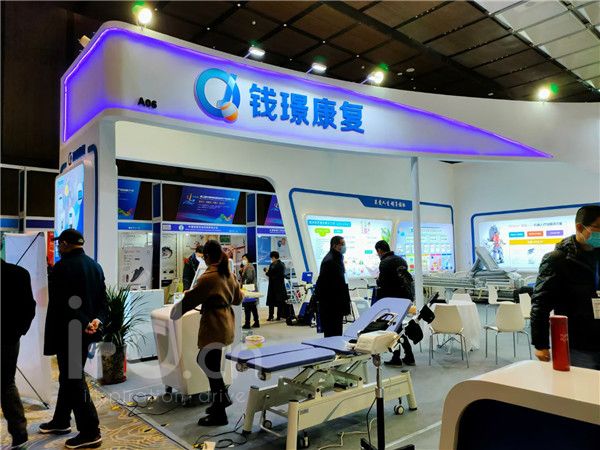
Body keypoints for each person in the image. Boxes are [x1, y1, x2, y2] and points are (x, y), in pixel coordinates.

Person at [41, 228, 107, 449]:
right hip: (86, 332)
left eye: (60, 244)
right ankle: (61, 421)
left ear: (66, 244)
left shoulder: (62, 267)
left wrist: (84, 321)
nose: (58, 247)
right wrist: (96, 320)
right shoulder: (95, 266)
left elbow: (63, 303)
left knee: (74, 380)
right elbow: (102, 301)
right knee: (69, 378)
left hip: (68, 332)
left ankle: (91, 432)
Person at [174, 240, 243, 426]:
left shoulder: (208, 277)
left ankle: (220, 410)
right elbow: (238, 299)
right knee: (211, 364)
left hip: (214, 324)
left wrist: (175, 312)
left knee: (207, 362)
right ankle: (220, 402)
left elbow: (191, 299)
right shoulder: (228, 274)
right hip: (225, 323)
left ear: (207, 257)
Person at [531, 205, 600, 370]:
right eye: (598, 228)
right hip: (578, 344)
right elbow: (541, 303)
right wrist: (541, 344)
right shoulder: (558, 260)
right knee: (582, 385)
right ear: (580, 227)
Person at [1, 259, 36, 449]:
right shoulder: (19, 273)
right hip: (9, 339)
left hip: (9, 338)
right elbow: (29, 308)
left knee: (7, 385)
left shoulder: (19, 273)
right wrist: (17, 332)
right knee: (7, 384)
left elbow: (29, 307)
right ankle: (20, 435)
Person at [374, 240, 416, 367]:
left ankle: (398, 357)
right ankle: (407, 356)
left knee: (393, 328)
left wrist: (378, 281)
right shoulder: (401, 260)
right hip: (405, 299)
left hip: (392, 300)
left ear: (379, 250)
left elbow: (383, 283)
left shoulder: (384, 263)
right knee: (398, 328)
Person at [315, 236, 351, 337]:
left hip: (336, 303)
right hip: (331, 304)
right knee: (332, 331)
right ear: (335, 245)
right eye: (342, 244)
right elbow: (326, 285)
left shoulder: (337, 258)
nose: (344, 246)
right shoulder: (330, 261)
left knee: (337, 330)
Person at [264, 251, 287, 321]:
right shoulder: (282, 264)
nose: (271, 259)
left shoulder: (274, 265)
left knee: (272, 302)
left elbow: (271, 274)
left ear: (273, 257)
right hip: (279, 286)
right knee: (278, 302)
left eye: (271, 258)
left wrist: (266, 272)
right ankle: (278, 316)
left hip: (274, 286)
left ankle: (271, 316)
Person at [239, 254, 259, 329]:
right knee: (253, 306)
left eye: (244, 258)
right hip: (251, 289)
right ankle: (256, 322)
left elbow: (249, 278)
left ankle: (247, 323)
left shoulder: (249, 267)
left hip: (249, 289)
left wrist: (243, 277)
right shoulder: (246, 267)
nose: (243, 260)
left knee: (247, 307)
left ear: (248, 259)